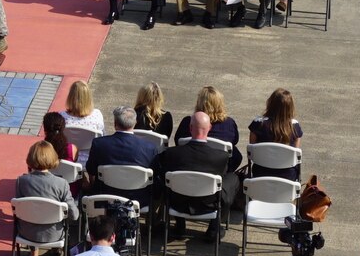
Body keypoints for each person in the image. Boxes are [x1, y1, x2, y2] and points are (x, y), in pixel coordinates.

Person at [152, 111, 241, 239]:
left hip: (177, 203)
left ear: (190, 128)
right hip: (209, 204)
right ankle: (214, 227)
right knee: (232, 178)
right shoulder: (220, 157)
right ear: (209, 129)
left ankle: (180, 224)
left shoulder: (172, 154)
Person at [12, 141, 77, 256]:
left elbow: (20, 209)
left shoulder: (22, 181)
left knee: (32, 212)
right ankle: (56, 250)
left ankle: (33, 254)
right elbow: (74, 215)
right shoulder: (61, 183)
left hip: (26, 233)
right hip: (54, 235)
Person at [83, 108, 159, 204]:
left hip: (106, 196)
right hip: (139, 198)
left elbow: (91, 170)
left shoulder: (99, 144)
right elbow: (155, 176)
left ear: (115, 123)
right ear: (135, 123)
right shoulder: (150, 148)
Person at [248, 88, 304, 180]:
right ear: (290, 107)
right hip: (288, 176)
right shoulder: (295, 127)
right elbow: (295, 153)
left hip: (260, 174)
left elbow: (252, 151)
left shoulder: (258, 124)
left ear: (270, 103)